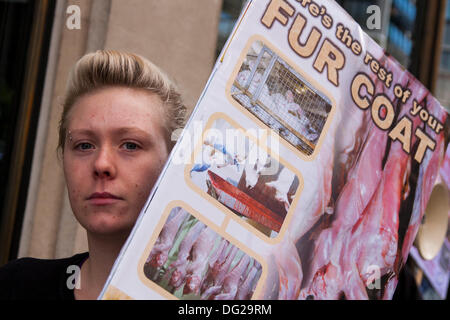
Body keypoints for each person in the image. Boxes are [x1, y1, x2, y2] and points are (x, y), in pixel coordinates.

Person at [0, 50, 186, 300]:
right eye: (84, 145)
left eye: (130, 145)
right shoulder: (16, 286)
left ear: (173, 161)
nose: (101, 164)